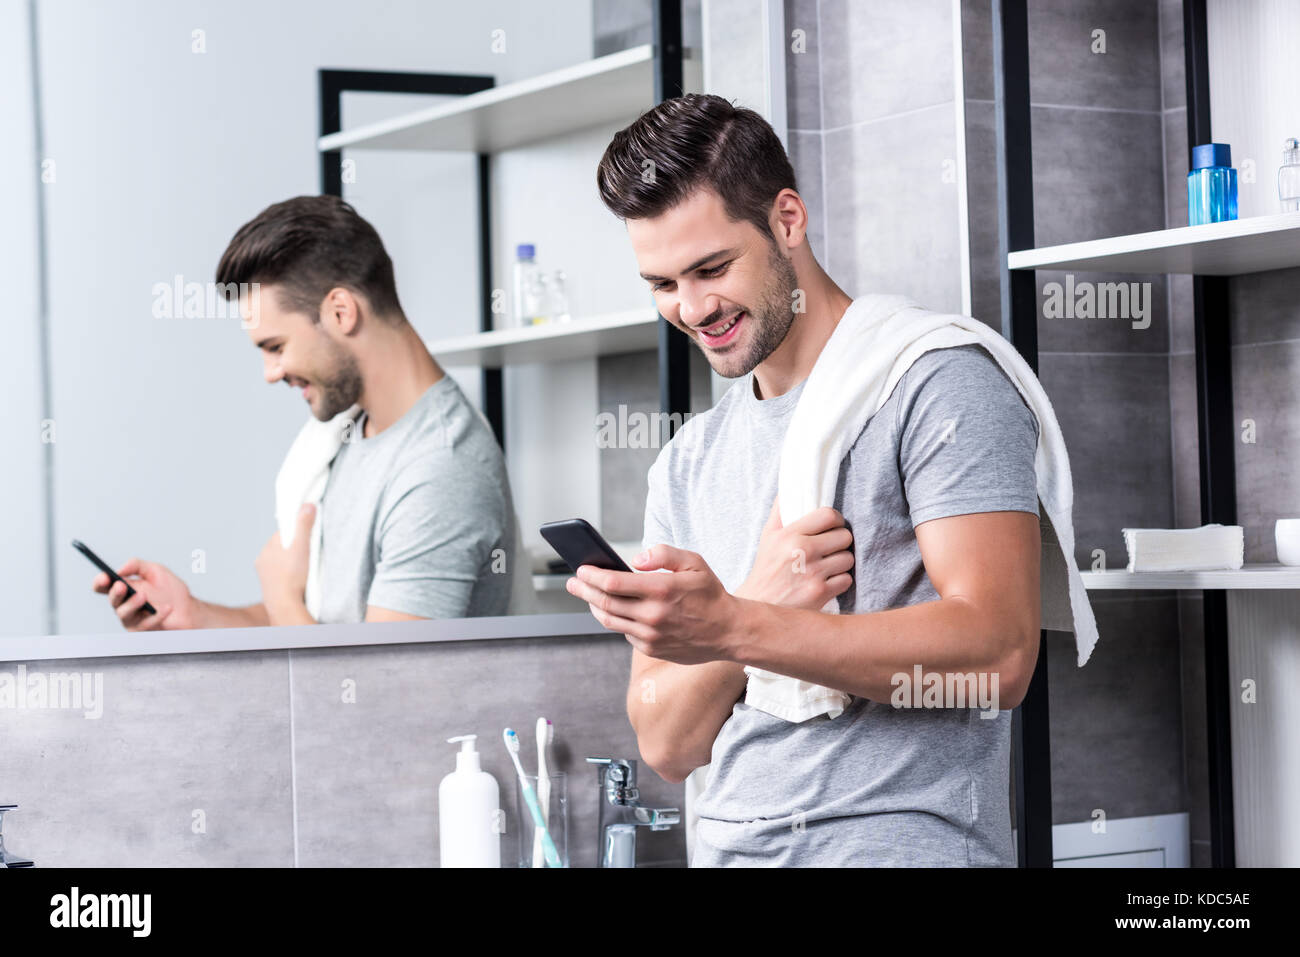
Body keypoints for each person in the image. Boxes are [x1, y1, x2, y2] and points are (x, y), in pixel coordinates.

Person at [571, 93, 1042, 866]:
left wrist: (734, 625)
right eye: (662, 284)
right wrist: (750, 606)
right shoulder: (688, 462)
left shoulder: (936, 384)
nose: (692, 308)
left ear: (788, 219)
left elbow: (998, 658)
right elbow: (668, 742)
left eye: (711, 268)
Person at [93, 195, 518, 629]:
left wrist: (281, 599)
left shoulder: (441, 469)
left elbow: (381, 687)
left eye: (275, 347)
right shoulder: (346, 435)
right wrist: (194, 615)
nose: (270, 373)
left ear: (340, 311)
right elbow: (318, 624)